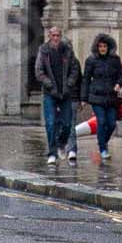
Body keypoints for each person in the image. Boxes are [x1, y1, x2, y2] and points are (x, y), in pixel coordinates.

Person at [34, 25, 81, 167]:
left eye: (58, 36)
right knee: (50, 123)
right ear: (49, 36)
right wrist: (49, 84)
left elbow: (75, 69)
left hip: (65, 93)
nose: (55, 38)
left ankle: (61, 144)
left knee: (67, 124)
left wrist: (70, 83)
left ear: (60, 37)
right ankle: (52, 153)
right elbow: (39, 71)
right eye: (53, 35)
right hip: (50, 93)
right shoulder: (43, 51)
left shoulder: (67, 50)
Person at [82, 33, 122, 162]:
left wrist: (118, 84)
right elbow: (86, 79)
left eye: (104, 46)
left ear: (108, 47)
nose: (102, 49)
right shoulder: (91, 60)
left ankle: (102, 142)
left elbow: (121, 74)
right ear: (97, 47)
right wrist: (84, 98)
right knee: (101, 121)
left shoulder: (115, 59)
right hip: (97, 97)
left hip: (112, 97)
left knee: (111, 124)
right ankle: (102, 148)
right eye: (100, 46)